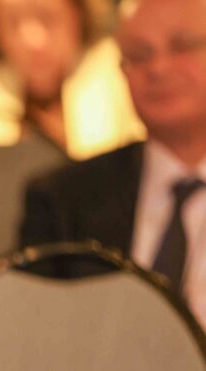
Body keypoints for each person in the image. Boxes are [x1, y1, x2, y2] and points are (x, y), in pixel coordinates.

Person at [20, 0, 206, 328]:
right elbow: (34, 333)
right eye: (139, 54)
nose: (158, 68)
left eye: (181, 46)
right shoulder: (62, 200)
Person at [0, 0, 144, 160]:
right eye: (12, 22)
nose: (33, 40)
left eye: (48, 18)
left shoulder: (123, 77)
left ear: (79, 15)